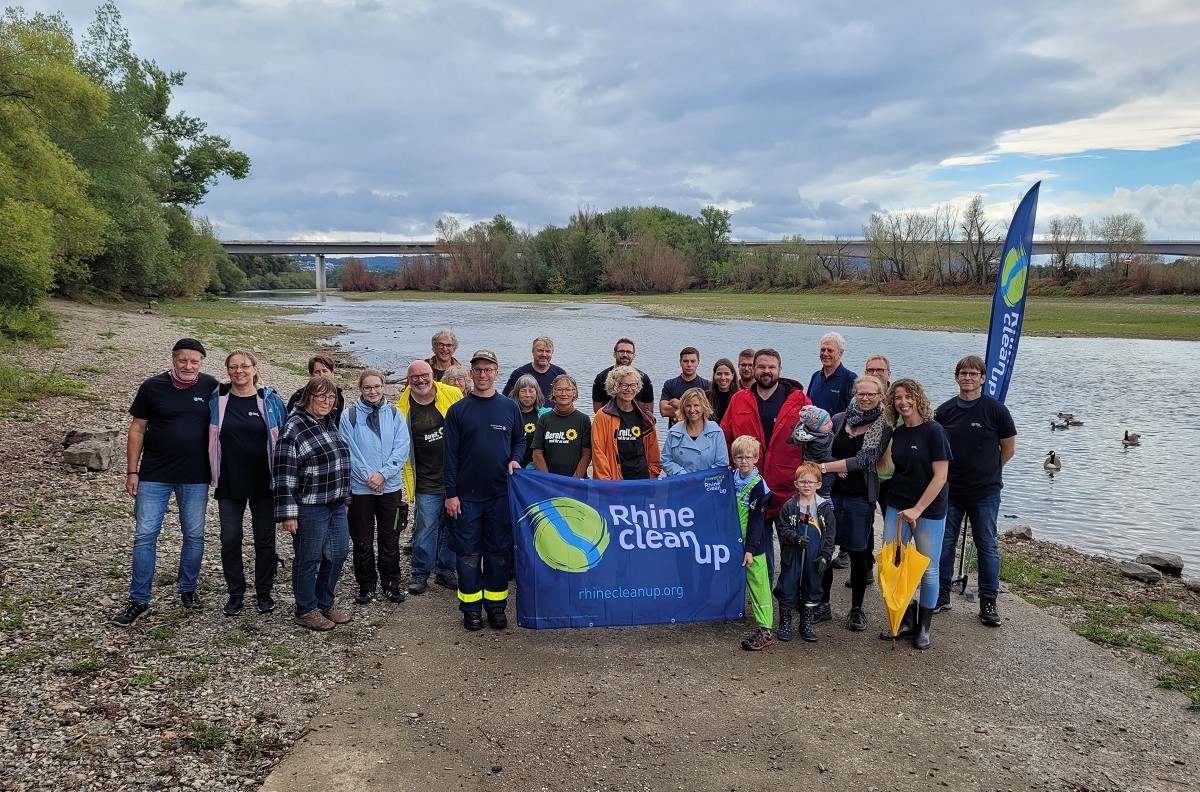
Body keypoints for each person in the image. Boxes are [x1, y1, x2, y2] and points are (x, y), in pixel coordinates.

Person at [112, 338, 220, 626]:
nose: (188, 366)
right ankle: (139, 599)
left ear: (201, 363)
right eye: (183, 360)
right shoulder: (152, 386)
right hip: (154, 474)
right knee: (145, 536)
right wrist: (131, 471)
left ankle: (188, 590)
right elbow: (137, 430)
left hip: (195, 476)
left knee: (194, 536)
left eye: (194, 361)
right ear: (174, 359)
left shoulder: (211, 386)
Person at [443, 350, 525, 631]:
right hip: (466, 498)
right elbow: (450, 456)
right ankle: (471, 609)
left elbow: (520, 442)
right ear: (470, 373)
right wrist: (450, 494)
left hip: (500, 495)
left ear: (497, 373)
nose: (482, 375)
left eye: (488, 370)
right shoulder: (458, 411)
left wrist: (515, 459)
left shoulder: (510, 408)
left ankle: (496, 607)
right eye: (477, 370)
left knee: (498, 554)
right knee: (467, 555)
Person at [934, 355, 1016, 627]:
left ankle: (988, 601)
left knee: (986, 545)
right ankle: (942, 593)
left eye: (973, 374)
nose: (967, 378)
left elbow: (1008, 449)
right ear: (956, 377)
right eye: (963, 373)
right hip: (951, 489)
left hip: (985, 491)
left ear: (982, 378)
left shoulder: (996, 410)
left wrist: (989, 471)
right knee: (945, 543)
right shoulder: (945, 411)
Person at [720, 348, 811, 583]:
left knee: (792, 544)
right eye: (761, 367)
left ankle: (791, 597)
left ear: (780, 369)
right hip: (753, 489)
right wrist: (735, 471)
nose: (766, 371)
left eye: (771, 367)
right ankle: (765, 595)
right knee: (760, 546)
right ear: (753, 368)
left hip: (789, 488)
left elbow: (815, 439)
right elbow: (725, 438)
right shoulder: (739, 399)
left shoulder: (799, 401)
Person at [207, 349, 286, 617]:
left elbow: (285, 438)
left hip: (266, 482)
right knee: (230, 538)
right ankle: (236, 593)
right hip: (229, 481)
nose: (239, 371)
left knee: (265, 539)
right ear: (227, 371)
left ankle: (264, 591)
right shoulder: (217, 400)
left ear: (255, 368)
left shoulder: (271, 401)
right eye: (233, 367)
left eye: (244, 366)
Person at [274, 375, 353, 632]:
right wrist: (288, 514)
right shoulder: (293, 428)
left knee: (338, 554)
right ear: (307, 397)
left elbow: (341, 463)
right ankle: (305, 609)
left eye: (331, 397)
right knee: (309, 558)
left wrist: (346, 498)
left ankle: (325, 602)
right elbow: (284, 475)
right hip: (310, 506)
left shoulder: (328, 422)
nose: (327, 402)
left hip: (336, 503)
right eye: (321, 396)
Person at [879, 377, 951, 650]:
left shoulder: (934, 431)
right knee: (892, 562)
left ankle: (924, 627)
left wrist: (918, 509)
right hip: (898, 505)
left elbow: (941, 476)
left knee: (927, 569)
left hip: (928, 509)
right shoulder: (898, 433)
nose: (903, 402)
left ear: (918, 398)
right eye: (898, 398)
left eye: (908, 396)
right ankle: (905, 620)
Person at [817, 374, 892, 632]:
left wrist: (828, 466)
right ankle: (823, 604)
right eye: (861, 393)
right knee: (824, 549)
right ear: (854, 393)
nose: (865, 398)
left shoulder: (884, 427)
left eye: (871, 393)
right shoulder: (839, 420)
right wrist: (833, 466)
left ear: (881, 396)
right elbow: (822, 447)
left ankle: (857, 609)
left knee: (859, 553)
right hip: (831, 495)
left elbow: (865, 460)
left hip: (860, 498)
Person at [341, 368, 411, 606]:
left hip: (390, 488)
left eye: (377, 387)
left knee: (390, 538)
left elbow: (402, 448)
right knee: (362, 540)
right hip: (360, 490)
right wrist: (367, 477)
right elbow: (348, 450)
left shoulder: (394, 414)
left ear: (383, 387)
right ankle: (366, 585)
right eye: (368, 387)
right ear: (361, 389)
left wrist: (383, 474)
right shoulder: (348, 415)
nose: (373, 391)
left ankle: (391, 584)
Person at [397, 360, 462, 595]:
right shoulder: (402, 408)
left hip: (455, 477)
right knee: (425, 528)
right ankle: (420, 573)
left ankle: (446, 571)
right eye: (414, 377)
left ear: (432, 375)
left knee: (452, 527)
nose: (420, 380)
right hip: (425, 479)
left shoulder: (452, 394)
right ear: (408, 380)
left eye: (424, 375)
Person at [773, 462, 836, 643]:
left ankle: (806, 623)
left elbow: (830, 535)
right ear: (796, 484)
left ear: (819, 484)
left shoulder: (824, 509)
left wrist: (826, 555)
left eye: (810, 482)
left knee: (812, 586)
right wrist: (795, 538)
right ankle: (784, 623)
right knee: (787, 586)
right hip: (792, 556)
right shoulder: (789, 507)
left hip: (814, 558)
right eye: (802, 482)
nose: (806, 485)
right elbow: (782, 529)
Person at [732, 436, 774, 651]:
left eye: (748, 457)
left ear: (756, 458)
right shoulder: (732, 478)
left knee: (758, 584)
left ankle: (765, 629)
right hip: (734, 540)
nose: (744, 462)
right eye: (739, 457)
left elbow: (758, 521)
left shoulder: (758, 486)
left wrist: (750, 549)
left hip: (754, 544)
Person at [591, 365, 661, 480]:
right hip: (614, 478)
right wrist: (606, 482)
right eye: (624, 385)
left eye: (633, 385)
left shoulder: (645, 416)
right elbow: (598, 452)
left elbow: (653, 449)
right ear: (615, 386)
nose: (629, 389)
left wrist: (652, 474)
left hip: (641, 477)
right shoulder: (602, 416)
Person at [532, 374, 592, 478]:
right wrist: (548, 479)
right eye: (559, 389)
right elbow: (537, 452)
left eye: (568, 390)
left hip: (575, 481)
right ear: (553, 392)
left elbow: (587, 453)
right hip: (549, 480)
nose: (564, 394)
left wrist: (574, 480)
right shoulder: (544, 419)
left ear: (574, 393)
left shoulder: (583, 419)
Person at [662, 388, 729, 476]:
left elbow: (722, 463)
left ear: (704, 406)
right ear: (683, 408)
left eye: (696, 405)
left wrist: (701, 477)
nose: (692, 410)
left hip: (708, 484)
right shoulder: (674, 431)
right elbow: (666, 460)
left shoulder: (716, 431)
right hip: (680, 483)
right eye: (688, 406)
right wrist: (682, 474)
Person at [592, 338, 653, 414]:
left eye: (629, 352)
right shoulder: (601, 378)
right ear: (614, 354)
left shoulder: (644, 378)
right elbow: (597, 410)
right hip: (609, 421)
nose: (625, 355)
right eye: (621, 351)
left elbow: (649, 411)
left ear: (634, 356)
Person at [501, 336, 566, 405]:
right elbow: (506, 399)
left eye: (548, 351)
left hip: (553, 414)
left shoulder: (560, 374)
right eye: (540, 350)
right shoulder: (519, 373)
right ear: (533, 351)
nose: (544, 354)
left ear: (552, 353)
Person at [807, 332, 858, 416]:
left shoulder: (851, 379)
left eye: (830, 350)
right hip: (811, 428)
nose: (825, 354)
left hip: (837, 428)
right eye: (823, 350)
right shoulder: (815, 376)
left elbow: (856, 413)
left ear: (840, 353)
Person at [789, 405, 835, 496]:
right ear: (815, 428)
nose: (830, 424)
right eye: (826, 423)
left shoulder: (822, 432)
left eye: (830, 419)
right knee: (827, 479)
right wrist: (836, 464)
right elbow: (823, 455)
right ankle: (825, 495)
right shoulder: (817, 442)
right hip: (818, 466)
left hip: (816, 466)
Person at [285, 355, 345, 422]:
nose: (321, 375)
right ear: (311, 375)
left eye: (325, 371)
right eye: (317, 372)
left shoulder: (338, 395)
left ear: (331, 373)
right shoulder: (299, 397)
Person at [660, 347, 710, 426]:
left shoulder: (706, 386)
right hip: (676, 433)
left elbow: (708, 412)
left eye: (693, 361)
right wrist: (695, 409)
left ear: (698, 362)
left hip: (700, 433)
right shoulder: (670, 384)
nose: (689, 365)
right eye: (686, 361)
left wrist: (680, 404)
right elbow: (664, 410)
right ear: (680, 362)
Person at [508, 374, 549, 469]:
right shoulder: (509, 415)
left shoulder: (544, 415)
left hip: (535, 470)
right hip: (512, 468)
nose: (527, 395)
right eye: (523, 391)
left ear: (537, 393)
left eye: (531, 391)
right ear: (517, 393)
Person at [706, 358, 737, 423]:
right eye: (719, 374)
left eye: (726, 374)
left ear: (732, 375)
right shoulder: (706, 397)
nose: (723, 378)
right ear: (714, 375)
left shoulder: (739, 397)